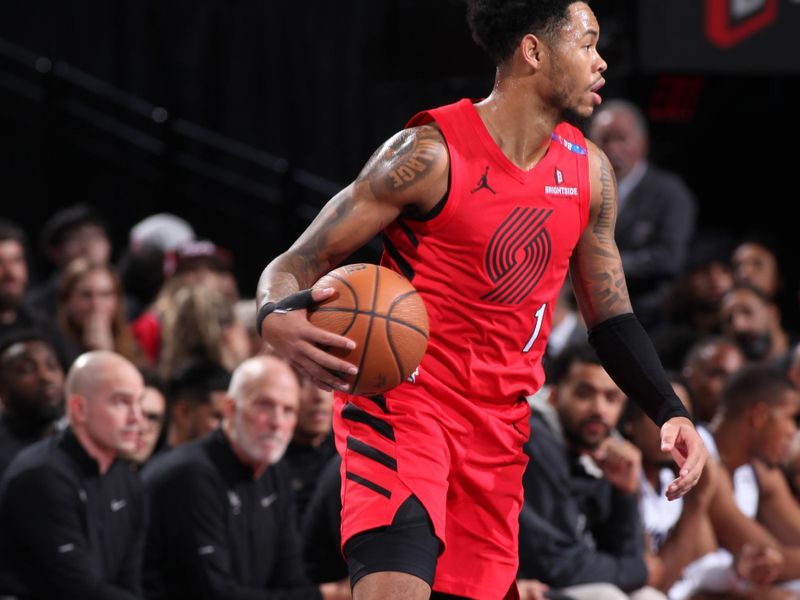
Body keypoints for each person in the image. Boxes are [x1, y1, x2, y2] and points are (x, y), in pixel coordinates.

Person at [254, 2, 707, 598]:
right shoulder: (427, 154)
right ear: (534, 51)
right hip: (404, 405)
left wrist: (668, 409)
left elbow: (612, 316)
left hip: (499, 432)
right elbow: (296, 262)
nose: (600, 62)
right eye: (587, 43)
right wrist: (273, 317)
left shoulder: (590, 174)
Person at [141, 354, 350, 599]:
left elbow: (290, 578)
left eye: (288, 410)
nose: (277, 422)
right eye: (264, 405)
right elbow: (213, 593)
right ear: (230, 409)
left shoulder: (276, 473)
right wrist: (327, 596)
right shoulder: (189, 476)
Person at [518, 343, 666, 600]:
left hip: (562, 583)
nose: (599, 409)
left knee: (649, 597)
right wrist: (639, 570)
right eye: (584, 394)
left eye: (611, 398)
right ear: (554, 395)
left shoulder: (606, 451)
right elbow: (555, 563)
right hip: (524, 584)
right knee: (607, 596)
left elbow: (623, 555)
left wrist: (624, 494)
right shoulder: (535, 439)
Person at [0, 350, 146, 598]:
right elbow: (75, 587)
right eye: (121, 402)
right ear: (79, 409)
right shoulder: (41, 476)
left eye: (139, 402)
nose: (137, 419)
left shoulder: (128, 481)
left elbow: (130, 579)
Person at [588, 99, 697, 333]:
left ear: (643, 144)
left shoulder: (669, 193)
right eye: (604, 139)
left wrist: (602, 265)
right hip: (593, 315)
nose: (612, 148)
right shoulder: (583, 190)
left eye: (621, 139)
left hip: (651, 317)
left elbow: (670, 258)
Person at [0, 330, 65, 478]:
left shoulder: (79, 434)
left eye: (52, 365)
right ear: (2, 389)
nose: (45, 377)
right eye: (27, 370)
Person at [284, 375, 337, 526]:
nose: (319, 396)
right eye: (304, 383)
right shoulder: (267, 464)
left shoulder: (350, 453)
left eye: (328, 383)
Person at [162, 358, 231, 450]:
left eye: (230, 417)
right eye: (217, 417)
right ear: (183, 412)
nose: (226, 427)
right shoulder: (154, 462)